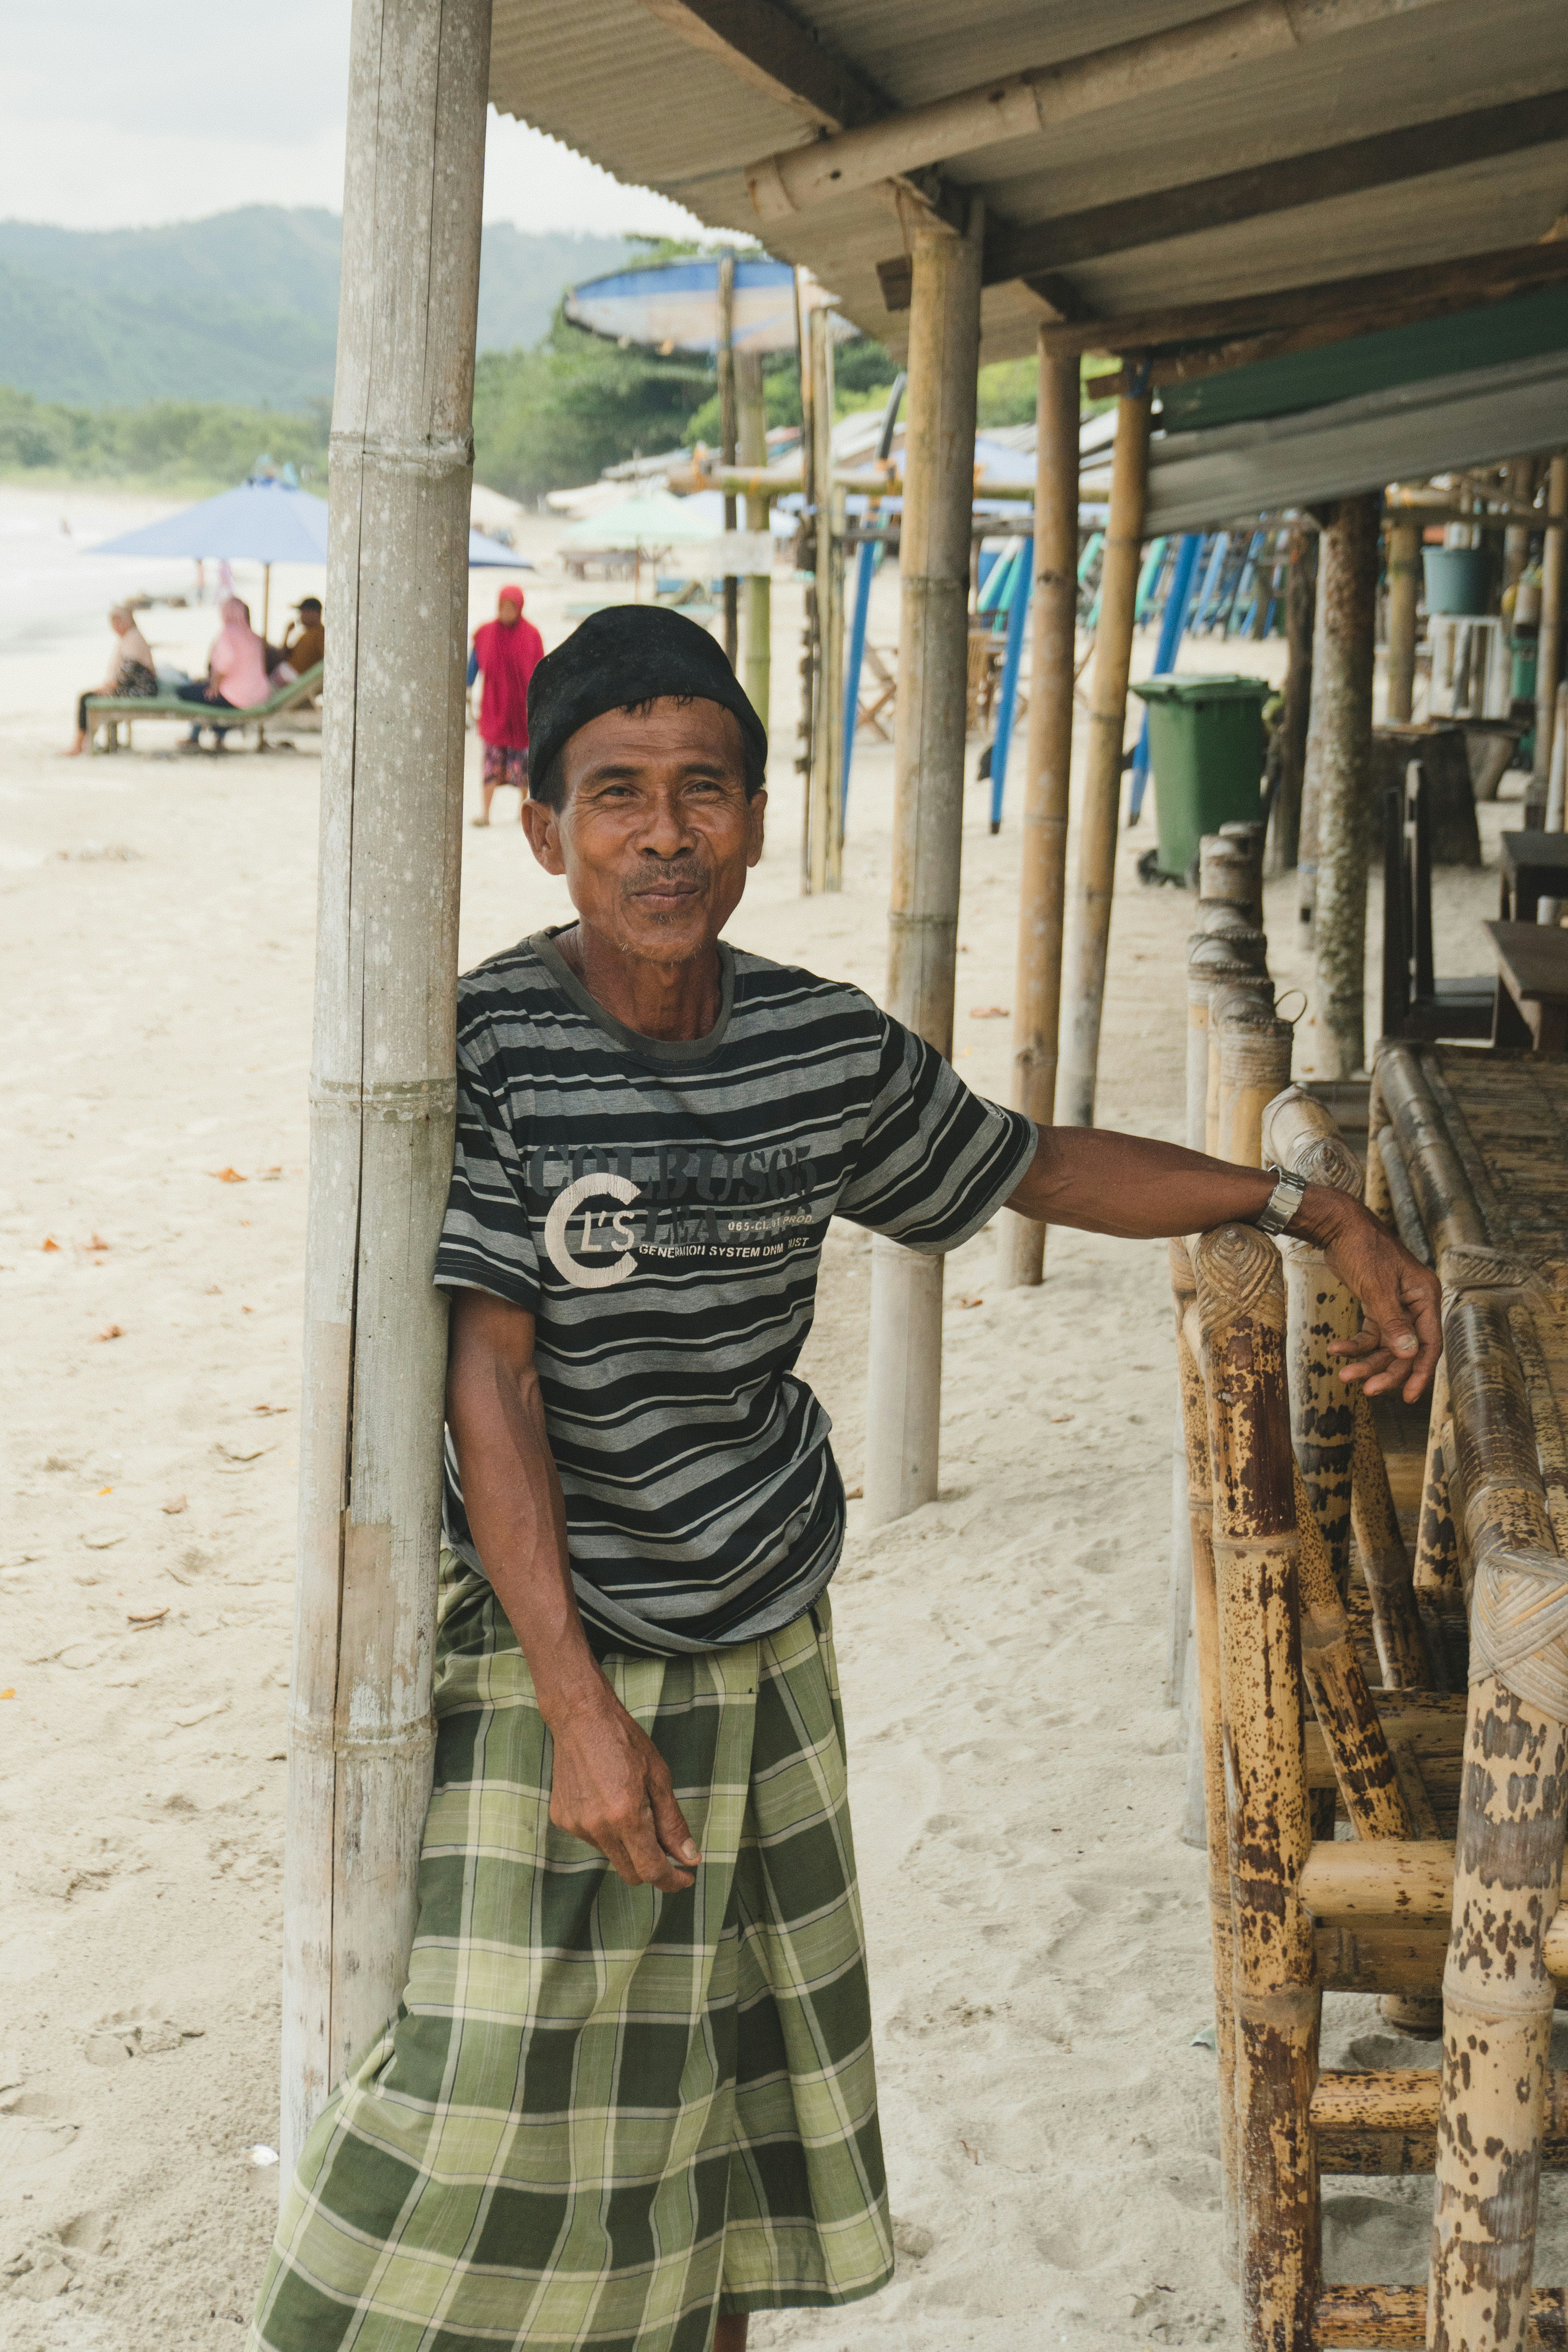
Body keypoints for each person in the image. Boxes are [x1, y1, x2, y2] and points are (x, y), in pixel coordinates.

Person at [250, 606, 1440, 2352]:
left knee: (731, 2098)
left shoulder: (815, 1047)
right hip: (548, 1637)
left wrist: (1299, 1203)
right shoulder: (490, 1042)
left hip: (765, 1634)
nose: (665, 834)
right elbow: (483, 1379)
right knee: (482, 2087)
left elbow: (1026, 1161)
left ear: (748, 807)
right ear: (540, 827)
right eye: (615, 796)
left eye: (703, 790)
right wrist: (574, 1705)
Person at [469, 580, 544, 825]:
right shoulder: (486, 634)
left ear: (520, 608)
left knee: (522, 767)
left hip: (522, 713)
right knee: (491, 763)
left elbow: (541, 672)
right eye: (503, 607)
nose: (506, 612)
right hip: (494, 709)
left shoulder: (532, 636)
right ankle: (486, 814)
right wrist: (468, 688)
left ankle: (522, 814)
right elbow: (473, 666)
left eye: (511, 607)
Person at [176, 595, 271, 747]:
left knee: (187, 692)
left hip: (235, 698)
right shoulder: (254, 638)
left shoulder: (228, 634)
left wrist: (214, 684)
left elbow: (225, 662)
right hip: (259, 696)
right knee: (207, 695)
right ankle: (219, 735)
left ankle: (195, 737)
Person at [63, 604, 158, 755]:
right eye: (113, 622)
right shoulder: (129, 637)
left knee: (86, 697)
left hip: (140, 690)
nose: (116, 626)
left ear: (127, 621)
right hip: (134, 687)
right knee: (88, 696)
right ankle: (85, 741)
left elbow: (128, 671)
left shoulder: (133, 638)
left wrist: (109, 687)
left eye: (119, 621)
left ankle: (79, 745)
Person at [268, 595, 324, 686]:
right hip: (282, 676)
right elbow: (283, 656)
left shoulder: (321, 634)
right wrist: (287, 634)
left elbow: (324, 662)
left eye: (303, 612)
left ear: (314, 614)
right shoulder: (305, 635)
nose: (300, 616)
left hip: (290, 681)